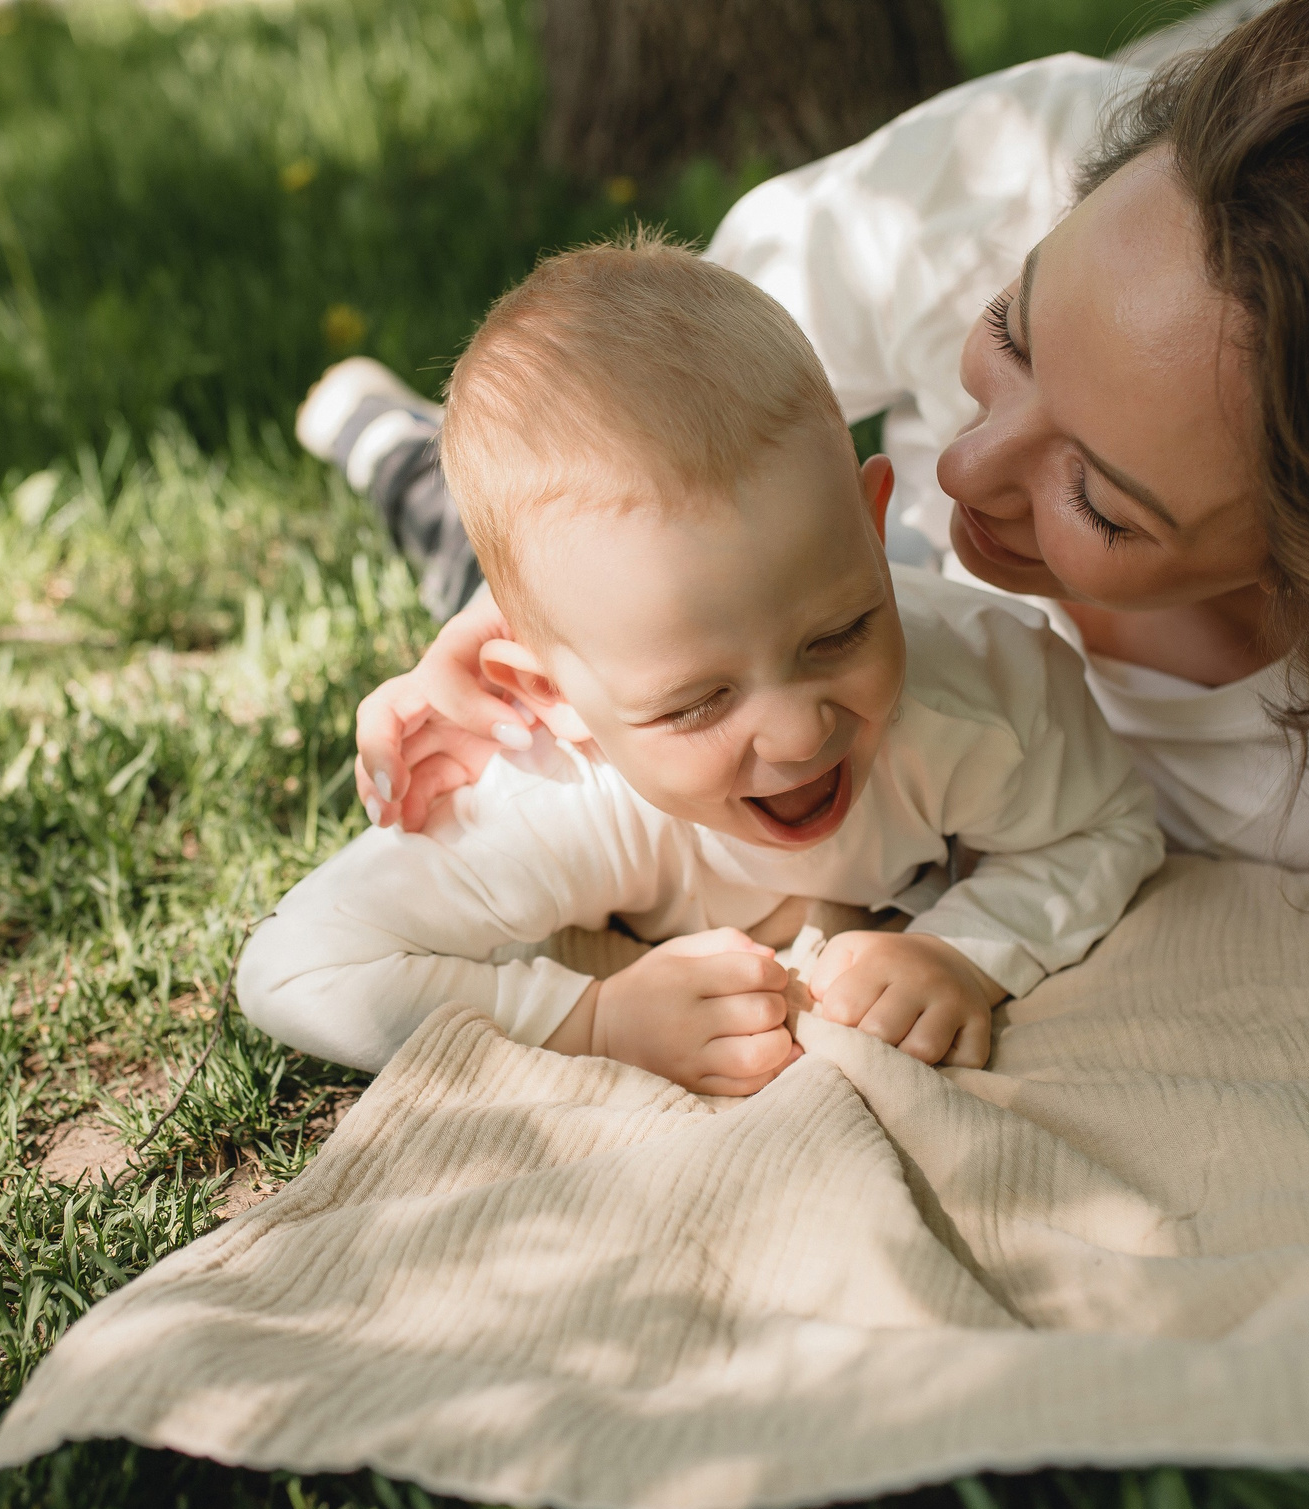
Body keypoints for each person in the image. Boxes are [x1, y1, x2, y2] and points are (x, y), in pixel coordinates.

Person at [321, 0, 1309, 966]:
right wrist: (524, 619)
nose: (961, 466)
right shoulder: (1018, 174)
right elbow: (634, 398)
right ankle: (396, 445)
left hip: (815, 633)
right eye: (1013, 336)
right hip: (747, 571)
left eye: (1106, 502)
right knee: (469, 536)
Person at [239, 238, 1164, 1094]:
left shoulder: (980, 690)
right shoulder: (553, 786)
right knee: (446, 528)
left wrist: (969, 949)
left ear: (871, 528)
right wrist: (590, 1021)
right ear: (550, 696)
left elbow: (1105, 825)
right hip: (542, 610)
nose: (803, 731)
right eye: (695, 704)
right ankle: (387, 434)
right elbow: (299, 964)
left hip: (752, 595)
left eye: (840, 633)